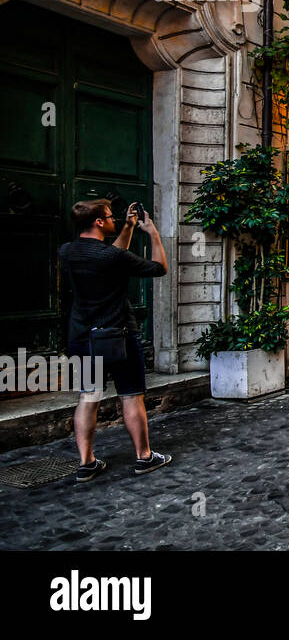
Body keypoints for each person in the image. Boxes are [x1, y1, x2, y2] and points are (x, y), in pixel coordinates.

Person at [59, 199, 170, 481]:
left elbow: (107, 256)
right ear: (98, 222)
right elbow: (159, 267)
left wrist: (130, 227)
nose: (113, 221)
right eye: (110, 217)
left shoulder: (67, 252)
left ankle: (86, 463)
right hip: (118, 336)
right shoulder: (113, 258)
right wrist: (152, 232)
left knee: (88, 397)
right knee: (131, 395)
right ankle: (144, 457)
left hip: (83, 338)